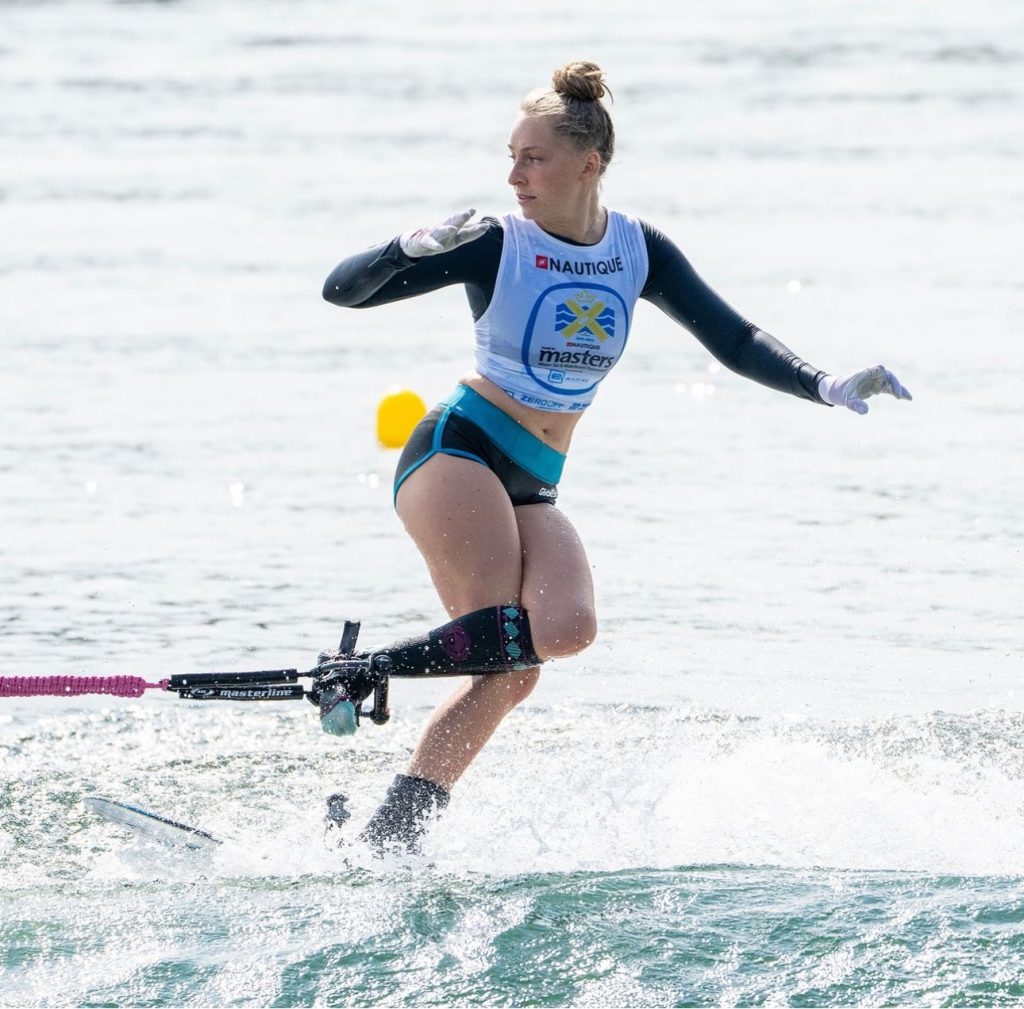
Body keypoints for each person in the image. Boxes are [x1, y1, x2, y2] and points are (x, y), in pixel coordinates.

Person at [321, 60, 911, 854]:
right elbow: (342, 292)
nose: (513, 174)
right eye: (511, 155)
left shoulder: (638, 250)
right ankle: (393, 830)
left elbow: (732, 338)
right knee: (502, 647)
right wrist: (404, 247)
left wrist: (823, 382)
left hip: (535, 481)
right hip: (457, 451)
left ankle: (370, 706)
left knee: (555, 636)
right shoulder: (497, 242)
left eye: (533, 157)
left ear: (587, 163)